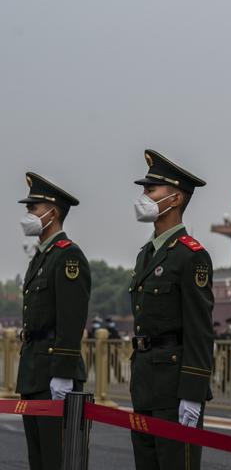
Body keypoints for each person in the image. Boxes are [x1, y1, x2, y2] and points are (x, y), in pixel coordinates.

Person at [129, 149, 214, 469]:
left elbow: (200, 329)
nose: (144, 196)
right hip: (146, 382)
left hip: (174, 386)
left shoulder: (190, 256)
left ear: (175, 198)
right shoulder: (145, 255)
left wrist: (193, 391)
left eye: (151, 190)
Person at [16, 172, 90, 470]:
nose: (28, 214)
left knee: (58, 461)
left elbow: (71, 321)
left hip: (54, 376)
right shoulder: (40, 258)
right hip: (34, 372)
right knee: (38, 460)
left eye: (33, 209)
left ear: (52, 212)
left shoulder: (68, 257)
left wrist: (63, 375)